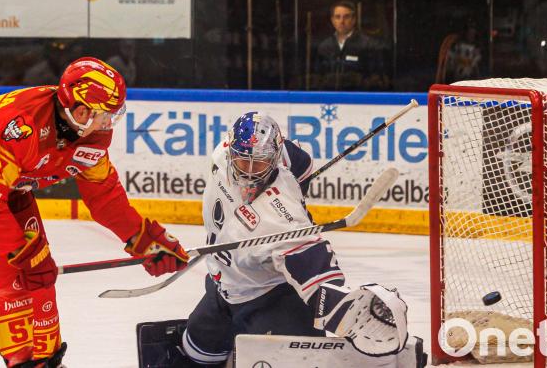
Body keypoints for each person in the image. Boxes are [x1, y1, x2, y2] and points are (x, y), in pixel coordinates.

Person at [0, 57, 189, 367]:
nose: (110, 124)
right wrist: (24, 253)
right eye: (107, 116)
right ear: (81, 111)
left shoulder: (94, 135)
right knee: (8, 275)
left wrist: (146, 240)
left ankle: (48, 360)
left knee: (42, 277)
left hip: (11, 186)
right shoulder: (23, 126)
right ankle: (21, 362)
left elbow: (105, 198)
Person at [175, 112, 408, 367]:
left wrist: (344, 308)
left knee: (285, 359)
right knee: (195, 349)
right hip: (224, 284)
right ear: (231, 151)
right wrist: (298, 186)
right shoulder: (222, 155)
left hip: (268, 296)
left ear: (273, 160)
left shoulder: (283, 219)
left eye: (260, 164)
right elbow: (301, 160)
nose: (251, 173)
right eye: (243, 162)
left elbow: (316, 271)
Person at [313, 0, 389, 91]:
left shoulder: (368, 45)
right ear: (332, 20)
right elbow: (317, 78)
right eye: (337, 17)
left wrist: (356, 80)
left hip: (359, 99)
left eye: (346, 17)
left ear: (354, 19)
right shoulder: (324, 46)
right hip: (330, 98)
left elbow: (377, 79)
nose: (342, 21)